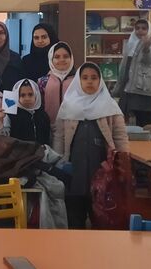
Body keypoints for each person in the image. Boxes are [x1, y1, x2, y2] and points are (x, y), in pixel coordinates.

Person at [53, 63, 129, 229]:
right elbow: (59, 136)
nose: (89, 81)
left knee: (101, 211)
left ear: (100, 81)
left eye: (94, 78)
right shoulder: (68, 105)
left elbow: (120, 136)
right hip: (74, 166)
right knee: (75, 211)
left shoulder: (110, 105)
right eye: (85, 78)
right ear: (78, 81)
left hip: (101, 166)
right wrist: (59, 162)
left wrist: (123, 162)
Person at [113, 19, 151, 126]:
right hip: (129, 89)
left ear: (149, 30)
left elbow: (150, 60)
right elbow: (124, 68)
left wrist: (146, 49)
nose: (140, 31)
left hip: (144, 92)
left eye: (144, 28)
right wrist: (118, 87)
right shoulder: (130, 43)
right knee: (125, 122)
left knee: (145, 124)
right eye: (137, 28)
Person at [38, 42, 75, 127]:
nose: (62, 60)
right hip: (48, 128)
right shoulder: (43, 81)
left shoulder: (78, 80)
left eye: (66, 56)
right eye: (57, 57)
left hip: (73, 128)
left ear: (71, 58)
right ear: (51, 59)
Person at [4, 79, 51, 145]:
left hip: (40, 150)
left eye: (30, 94)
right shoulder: (11, 115)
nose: (27, 98)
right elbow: (4, 138)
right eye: (22, 95)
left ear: (36, 95)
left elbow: (47, 138)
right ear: (17, 97)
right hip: (18, 150)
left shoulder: (43, 115)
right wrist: (0, 121)